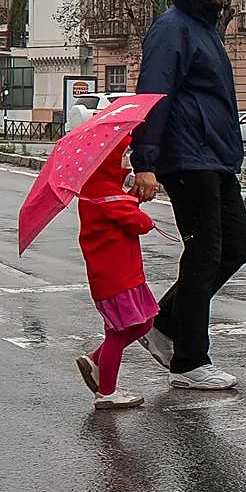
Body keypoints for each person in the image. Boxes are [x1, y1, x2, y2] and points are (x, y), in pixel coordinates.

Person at [130, 0, 246, 390]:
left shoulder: (205, 30)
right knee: (204, 254)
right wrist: (145, 163)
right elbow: (153, 96)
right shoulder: (171, 30)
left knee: (238, 245)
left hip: (214, 157)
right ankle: (190, 361)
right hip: (187, 156)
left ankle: (162, 323)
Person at [74, 136, 159, 408]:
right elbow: (140, 223)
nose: (127, 160)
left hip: (125, 275)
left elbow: (121, 210)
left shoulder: (102, 191)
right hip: (116, 279)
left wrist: (129, 199)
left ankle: (95, 361)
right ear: (106, 162)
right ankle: (107, 392)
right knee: (117, 333)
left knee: (144, 322)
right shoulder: (104, 192)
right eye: (122, 155)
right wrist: (137, 206)